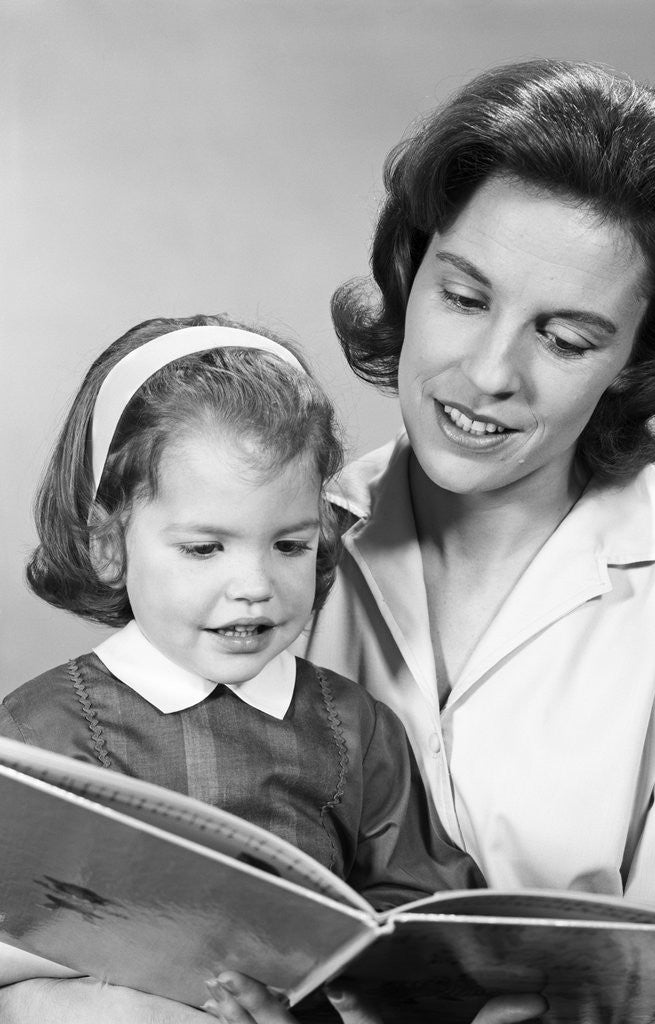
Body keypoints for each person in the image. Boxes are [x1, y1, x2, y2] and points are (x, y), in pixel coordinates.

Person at [209, 57, 655, 1024]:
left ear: (638, 361)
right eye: (466, 297)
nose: (487, 373)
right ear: (411, 267)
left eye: (563, 340)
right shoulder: (270, 551)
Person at [0, 313, 508, 1021]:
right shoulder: (42, 728)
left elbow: (424, 911)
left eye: (289, 545)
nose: (255, 586)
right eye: (206, 548)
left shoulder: (354, 730)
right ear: (111, 545)